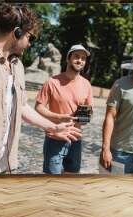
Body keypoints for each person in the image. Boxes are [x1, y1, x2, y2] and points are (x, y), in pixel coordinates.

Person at [0, 4, 81, 174]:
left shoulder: (17, 66)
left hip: (3, 167)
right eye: (30, 38)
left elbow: (22, 107)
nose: (30, 45)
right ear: (17, 32)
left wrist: (53, 127)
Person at [35, 44, 93, 174]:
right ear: (68, 59)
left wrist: (84, 118)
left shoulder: (86, 84)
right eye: (76, 57)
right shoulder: (52, 82)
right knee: (51, 181)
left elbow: (89, 111)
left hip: (75, 139)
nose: (80, 61)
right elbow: (38, 107)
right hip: (55, 138)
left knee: (71, 180)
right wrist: (59, 117)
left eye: (83, 58)